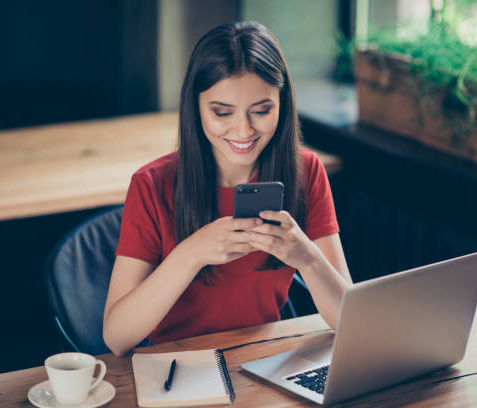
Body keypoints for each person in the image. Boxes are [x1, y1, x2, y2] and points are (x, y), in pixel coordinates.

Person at [103, 21, 352, 356]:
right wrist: (190, 254)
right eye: (222, 112)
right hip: (175, 365)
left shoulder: (306, 171)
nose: (243, 130)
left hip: (265, 359)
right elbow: (116, 338)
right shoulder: (151, 184)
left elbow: (348, 320)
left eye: (262, 111)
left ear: (283, 104)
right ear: (195, 107)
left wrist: (307, 258)